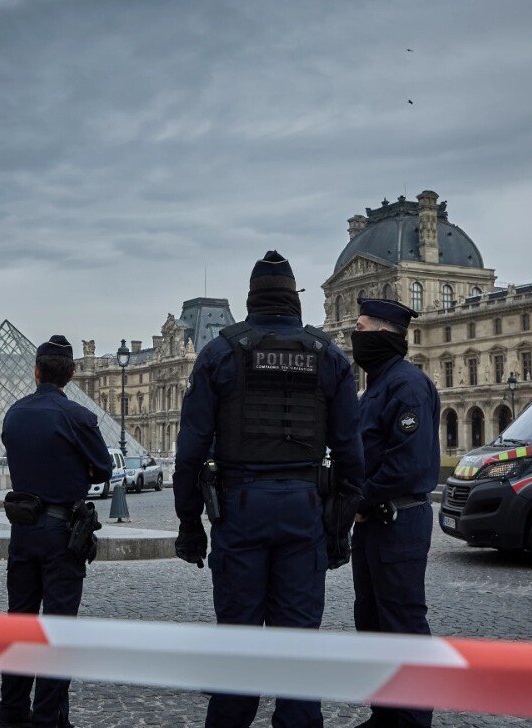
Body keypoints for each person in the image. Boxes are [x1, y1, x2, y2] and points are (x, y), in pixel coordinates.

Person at [173, 250, 365, 728]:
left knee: (238, 646)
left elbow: (189, 453)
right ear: (294, 300)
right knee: (299, 648)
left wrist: (188, 525)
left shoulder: (220, 353)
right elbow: (351, 457)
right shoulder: (329, 357)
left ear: (251, 300)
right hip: (305, 508)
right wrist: (338, 530)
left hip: (239, 509)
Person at [0, 334, 113, 728]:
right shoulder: (79, 417)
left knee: (20, 627)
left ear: (35, 371)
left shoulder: (14, 413)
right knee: (57, 631)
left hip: (22, 532)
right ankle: (48, 719)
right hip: (63, 533)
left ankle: (11, 717)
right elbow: (104, 469)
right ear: (72, 375)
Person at [349, 298, 440, 728]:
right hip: (374, 522)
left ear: (385, 335)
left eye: (361, 328)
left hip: (397, 520)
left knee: (402, 620)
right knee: (371, 619)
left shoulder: (407, 386)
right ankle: (385, 713)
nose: (355, 336)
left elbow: (407, 464)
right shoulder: (377, 388)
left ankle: (412, 720)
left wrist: (360, 500)